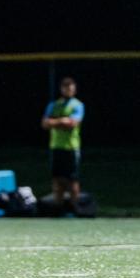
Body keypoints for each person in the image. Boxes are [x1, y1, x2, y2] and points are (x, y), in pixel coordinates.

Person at [41, 77, 85, 213]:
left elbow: (72, 123)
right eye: (66, 88)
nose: (69, 90)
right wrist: (63, 121)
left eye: (71, 88)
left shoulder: (77, 105)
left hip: (71, 147)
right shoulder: (54, 105)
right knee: (57, 179)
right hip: (56, 146)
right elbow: (44, 123)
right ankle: (58, 208)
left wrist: (54, 122)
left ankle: (74, 208)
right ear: (62, 89)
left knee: (72, 180)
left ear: (75, 89)